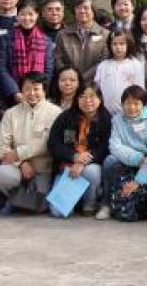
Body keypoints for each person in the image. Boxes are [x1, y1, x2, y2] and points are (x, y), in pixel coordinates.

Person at [0, 71, 62, 215]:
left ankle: (20, 203)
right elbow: (0, 146)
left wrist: (19, 152)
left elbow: (50, 143)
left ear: (44, 90)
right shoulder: (11, 113)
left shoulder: (56, 113)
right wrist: (21, 162)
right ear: (21, 91)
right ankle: (14, 200)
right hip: (16, 167)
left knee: (40, 206)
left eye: (36, 88)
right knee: (2, 173)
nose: (31, 93)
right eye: (27, 89)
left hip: (44, 169)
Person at [98, 85, 147, 221]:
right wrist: (137, 158)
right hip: (129, 161)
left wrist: (138, 181)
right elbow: (114, 146)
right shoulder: (117, 119)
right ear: (122, 104)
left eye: (136, 103)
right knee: (110, 161)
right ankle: (107, 204)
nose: (132, 107)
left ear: (144, 105)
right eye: (127, 103)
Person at [47, 84, 111, 217]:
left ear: (100, 99)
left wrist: (83, 161)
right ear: (76, 99)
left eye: (92, 96)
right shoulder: (66, 117)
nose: (88, 101)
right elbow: (53, 144)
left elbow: (105, 148)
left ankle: (89, 203)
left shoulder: (106, 119)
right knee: (57, 212)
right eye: (83, 97)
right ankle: (75, 201)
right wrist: (74, 157)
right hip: (67, 167)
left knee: (92, 171)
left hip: (89, 166)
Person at [0, 0, 53, 106]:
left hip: (38, 96)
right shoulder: (5, 39)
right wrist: (15, 92)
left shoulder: (46, 41)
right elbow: (1, 68)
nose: (27, 18)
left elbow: (48, 70)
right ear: (17, 15)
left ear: (37, 15)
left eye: (31, 14)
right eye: (22, 14)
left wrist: (38, 91)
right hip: (11, 96)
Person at [53, 0, 110, 85]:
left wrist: (81, 78)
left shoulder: (105, 35)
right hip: (69, 84)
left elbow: (103, 61)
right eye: (79, 8)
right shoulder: (62, 35)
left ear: (93, 11)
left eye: (86, 8)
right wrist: (70, 77)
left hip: (95, 84)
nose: (82, 11)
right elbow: (57, 59)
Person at [95, 30, 145, 117]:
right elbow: (99, 87)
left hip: (130, 111)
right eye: (114, 44)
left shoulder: (135, 64)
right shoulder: (103, 66)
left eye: (122, 44)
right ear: (110, 46)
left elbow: (139, 89)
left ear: (128, 45)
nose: (118, 47)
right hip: (108, 112)